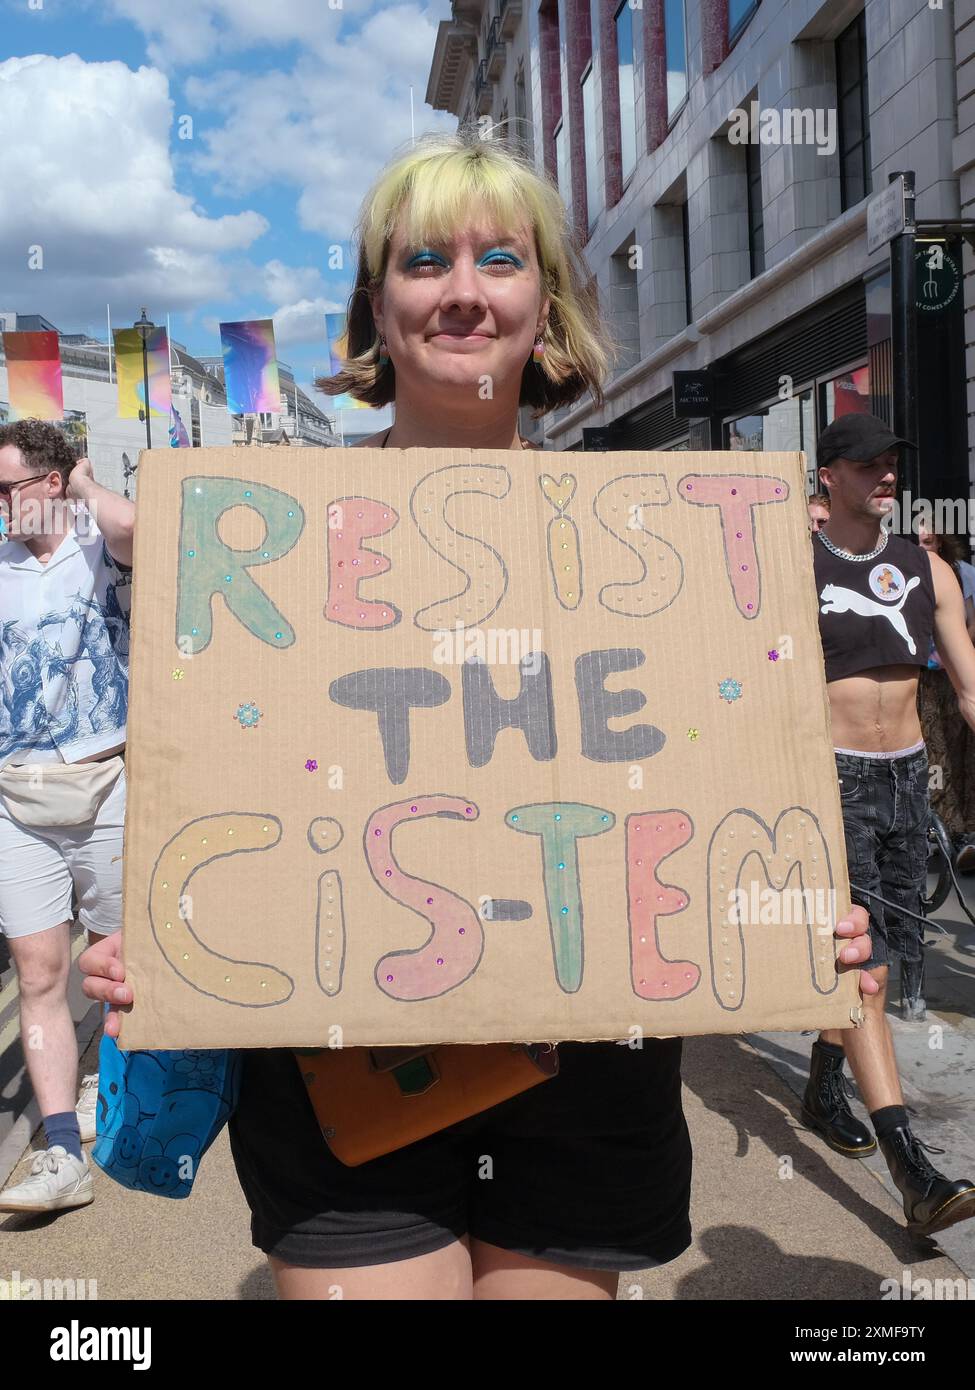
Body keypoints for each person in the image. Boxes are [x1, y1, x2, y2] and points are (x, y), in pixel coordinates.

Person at [79, 130, 874, 1300]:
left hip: (590, 1076)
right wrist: (169, 925)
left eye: (500, 259)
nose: (463, 291)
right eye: (423, 262)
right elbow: (223, 772)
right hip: (345, 1073)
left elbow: (721, 772)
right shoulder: (263, 538)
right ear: (377, 309)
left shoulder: (660, 543)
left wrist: (788, 911)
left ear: (545, 307)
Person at [802, 412, 975, 1237]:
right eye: (869, 463)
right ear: (828, 476)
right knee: (861, 961)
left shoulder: (924, 567)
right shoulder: (794, 566)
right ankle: (911, 1166)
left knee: (883, 949)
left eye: (891, 464)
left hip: (906, 777)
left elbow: (967, 687)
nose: (886, 475)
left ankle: (820, 1081)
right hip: (828, 778)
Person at [0, 419, 134, 1214]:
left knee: (119, 968)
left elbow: (140, 528)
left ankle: (104, 1085)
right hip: (18, 794)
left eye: (5, 488)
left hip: (107, 782)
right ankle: (60, 1154)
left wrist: (83, 482)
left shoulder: (99, 545)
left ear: (49, 483)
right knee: (39, 971)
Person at [916, 524, 975, 871]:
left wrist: (948, 652)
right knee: (931, 751)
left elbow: (970, 623)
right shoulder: (905, 568)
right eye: (916, 541)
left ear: (940, 539)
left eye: (928, 540)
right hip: (921, 676)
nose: (922, 546)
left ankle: (965, 833)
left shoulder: (961, 572)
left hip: (953, 672)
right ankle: (939, 831)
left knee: (960, 751)